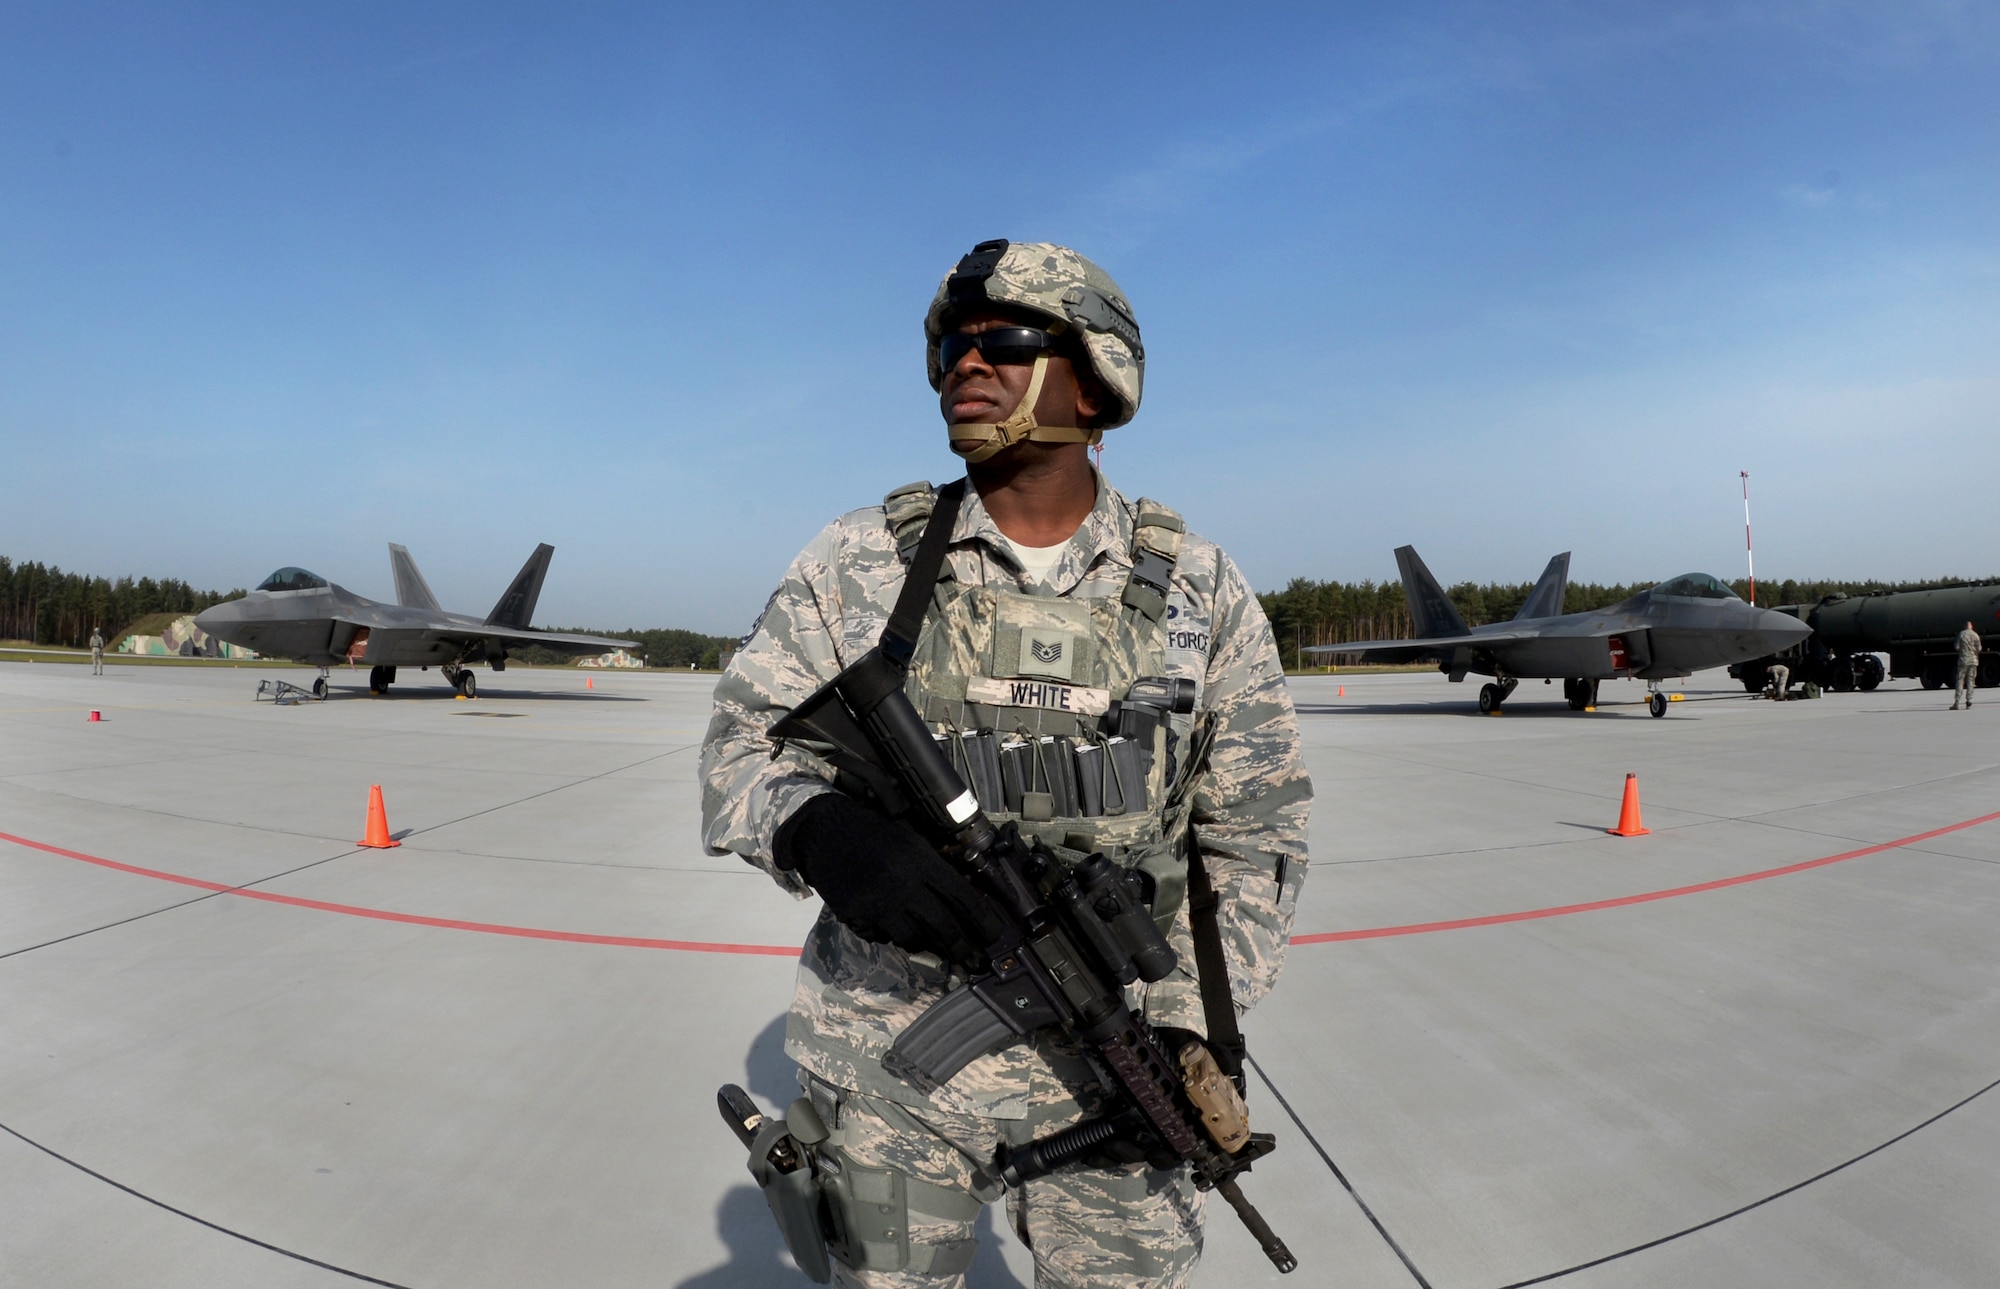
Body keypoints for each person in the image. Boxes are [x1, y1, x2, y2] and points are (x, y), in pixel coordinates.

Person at [700, 240, 1312, 1287]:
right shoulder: (860, 560)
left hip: (1118, 1067)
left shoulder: (1200, 586)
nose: (962, 367)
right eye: (949, 347)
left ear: (1097, 371)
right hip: (887, 1061)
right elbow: (740, 747)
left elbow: (1254, 834)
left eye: (1003, 343)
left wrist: (1187, 1028)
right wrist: (819, 828)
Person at [1951, 620, 1982, 710]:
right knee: (1971, 681)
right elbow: (1979, 648)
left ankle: (1956, 702)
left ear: (1965, 626)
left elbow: (1956, 647)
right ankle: (1968, 700)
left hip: (1963, 661)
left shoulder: (1961, 634)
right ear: (1971, 626)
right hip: (1973, 661)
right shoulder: (1975, 635)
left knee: (1960, 681)